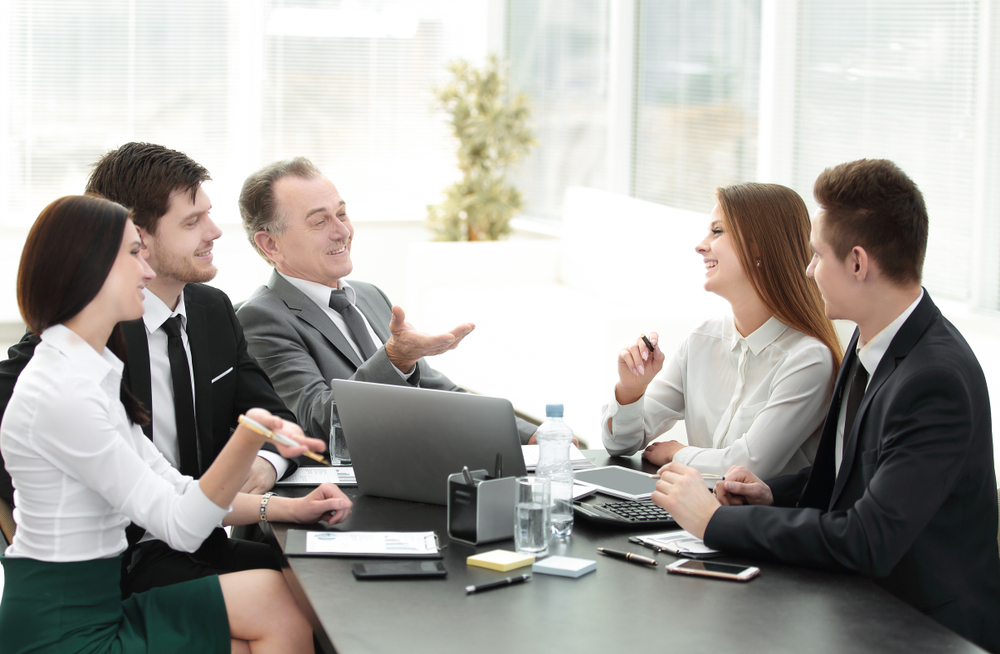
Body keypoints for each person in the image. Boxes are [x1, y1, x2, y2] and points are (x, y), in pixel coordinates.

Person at [651, 159, 1000, 653]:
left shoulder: (935, 380)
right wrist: (771, 494)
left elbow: (867, 537)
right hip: (854, 609)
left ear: (857, 263)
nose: (809, 270)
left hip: (925, 631)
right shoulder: (868, 340)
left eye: (816, 256)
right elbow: (843, 485)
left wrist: (716, 522)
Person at [0, 195, 340, 653]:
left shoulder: (90, 368)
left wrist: (287, 510)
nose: (145, 270)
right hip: (64, 631)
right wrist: (250, 434)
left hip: (95, 603)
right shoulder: (63, 393)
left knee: (280, 599)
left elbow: (176, 489)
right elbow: (181, 525)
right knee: (273, 613)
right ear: (88, 268)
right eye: (133, 254)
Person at [235, 157, 537, 446]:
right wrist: (395, 360)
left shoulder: (368, 295)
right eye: (319, 222)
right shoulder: (261, 318)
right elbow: (318, 425)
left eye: (341, 214)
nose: (343, 232)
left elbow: (436, 391)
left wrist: (528, 434)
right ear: (270, 244)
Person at [602, 183, 842, 478]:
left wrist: (678, 453)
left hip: (752, 522)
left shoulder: (808, 360)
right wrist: (631, 389)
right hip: (693, 515)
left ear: (757, 246)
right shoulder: (703, 340)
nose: (701, 245)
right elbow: (620, 442)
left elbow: (745, 467)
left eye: (717, 231)